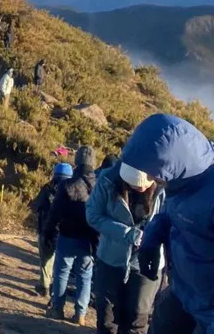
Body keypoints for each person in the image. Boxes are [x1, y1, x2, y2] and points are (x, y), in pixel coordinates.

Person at [121, 114, 214, 334]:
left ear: (173, 160)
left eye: (153, 171)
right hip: (181, 290)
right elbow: (169, 214)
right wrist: (151, 241)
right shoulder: (181, 178)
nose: (151, 178)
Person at [86, 160, 165, 334]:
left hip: (147, 263)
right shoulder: (107, 181)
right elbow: (93, 215)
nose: (142, 189)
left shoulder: (164, 186)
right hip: (111, 258)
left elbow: (172, 223)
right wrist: (128, 234)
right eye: (136, 185)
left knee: (138, 319)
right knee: (107, 318)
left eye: (146, 184)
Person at [43, 146, 98, 326]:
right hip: (90, 238)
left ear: (76, 161)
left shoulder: (67, 185)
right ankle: (80, 315)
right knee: (85, 275)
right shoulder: (100, 185)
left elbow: (55, 212)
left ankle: (57, 309)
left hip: (67, 234)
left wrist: (48, 232)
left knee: (61, 272)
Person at [32, 163, 73, 298]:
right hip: (65, 232)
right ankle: (56, 292)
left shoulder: (47, 188)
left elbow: (36, 206)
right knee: (61, 266)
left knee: (45, 260)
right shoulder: (74, 190)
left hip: (46, 230)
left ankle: (44, 287)